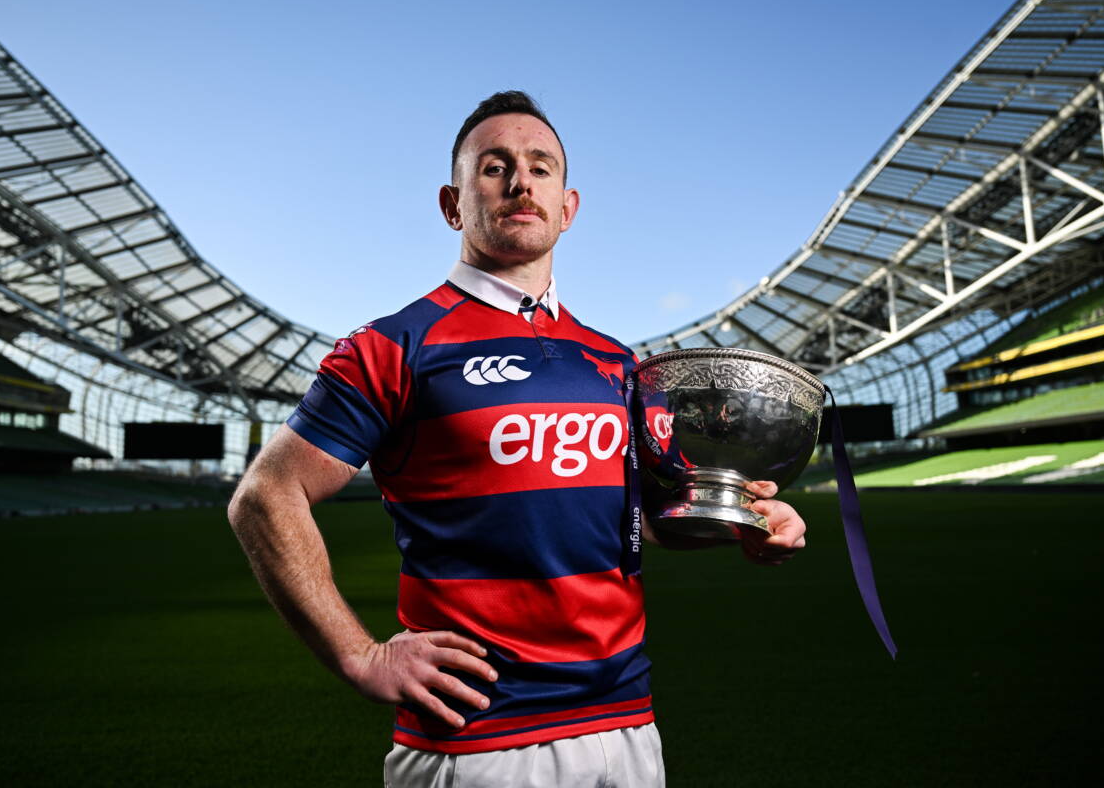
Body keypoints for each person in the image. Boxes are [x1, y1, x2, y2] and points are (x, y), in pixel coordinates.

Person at [228, 91, 807, 787]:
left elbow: (640, 519)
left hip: (627, 727)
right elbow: (266, 494)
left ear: (568, 207)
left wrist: (742, 518)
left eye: (541, 167)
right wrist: (359, 654)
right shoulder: (393, 348)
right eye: (494, 167)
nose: (520, 181)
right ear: (453, 204)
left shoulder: (620, 364)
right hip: (479, 743)